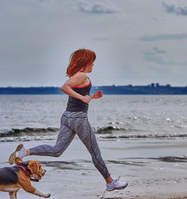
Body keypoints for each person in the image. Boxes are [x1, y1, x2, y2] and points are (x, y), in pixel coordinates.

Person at [8, 48, 128, 191]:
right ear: (86, 61)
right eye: (92, 62)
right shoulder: (81, 75)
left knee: (56, 150)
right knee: (95, 153)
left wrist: (92, 96)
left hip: (67, 117)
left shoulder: (79, 76)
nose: (93, 65)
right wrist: (83, 97)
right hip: (78, 119)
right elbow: (64, 87)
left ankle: (25, 152)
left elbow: (80, 97)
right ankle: (110, 182)